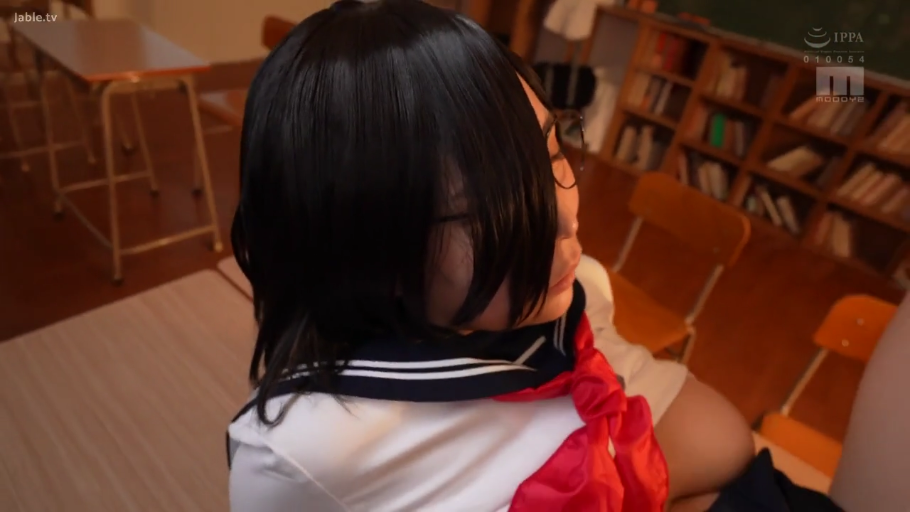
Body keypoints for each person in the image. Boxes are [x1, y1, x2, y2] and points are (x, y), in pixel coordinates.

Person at [227, 1, 754, 510]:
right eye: (488, 205)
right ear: (362, 244)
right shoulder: (304, 454)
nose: (565, 218)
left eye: (553, 152)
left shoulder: (577, 294)